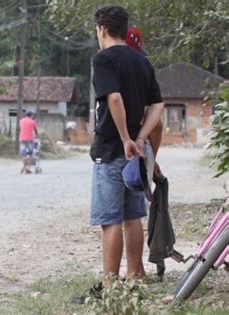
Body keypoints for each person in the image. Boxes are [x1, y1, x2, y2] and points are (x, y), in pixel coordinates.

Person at [80, 5, 164, 300]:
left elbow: (113, 98)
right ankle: (135, 279)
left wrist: (127, 138)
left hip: (112, 151)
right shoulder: (141, 61)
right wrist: (141, 138)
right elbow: (157, 107)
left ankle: (109, 286)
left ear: (101, 29)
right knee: (132, 217)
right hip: (136, 157)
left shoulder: (103, 59)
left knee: (111, 220)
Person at [126, 26, 164, 180]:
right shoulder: (144, 75)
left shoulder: (108, 74)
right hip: (138, 156)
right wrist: (152, 160)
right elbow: (157, 125)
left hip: (108, 153)